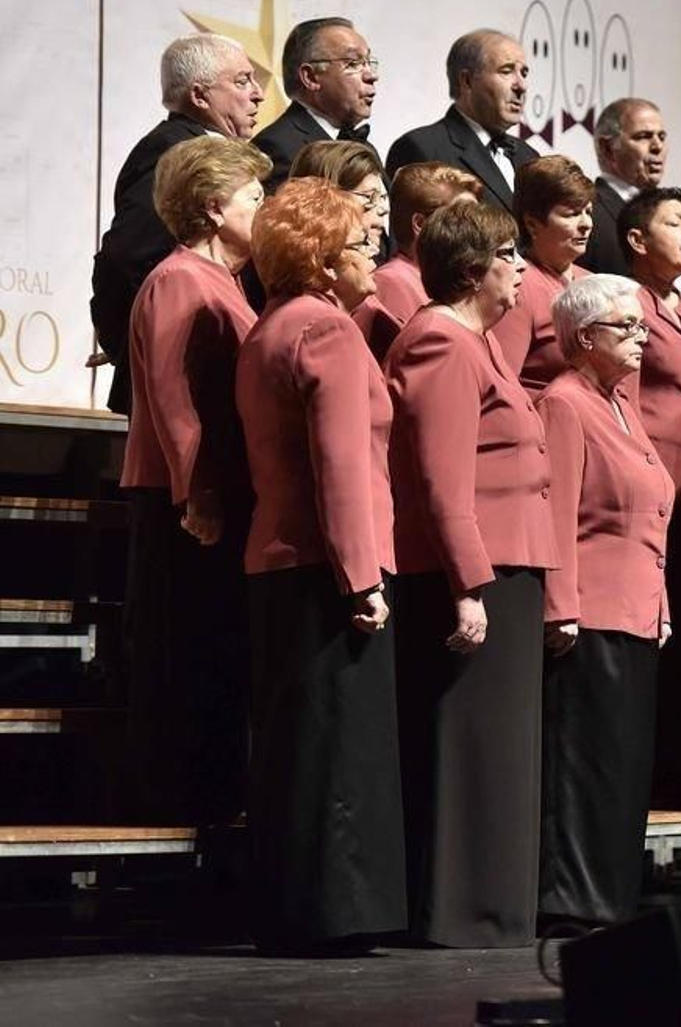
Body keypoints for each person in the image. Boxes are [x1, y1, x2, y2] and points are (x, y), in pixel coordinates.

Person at [235, 177, 406, 952]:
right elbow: (341, 465)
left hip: (281, 560)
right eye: (361, 243)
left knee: (297, 746)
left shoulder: (271, 325)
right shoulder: (327, 330)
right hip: (326, 565)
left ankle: (290, 907)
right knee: (337, 745)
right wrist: (361, 577)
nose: (374, 254)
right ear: (324, 260)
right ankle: (335, 912)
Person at [386, 200, 557, 948]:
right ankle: (462, 910)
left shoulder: (478, 342)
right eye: (509, 255)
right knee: (472, 746)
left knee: (501, 747)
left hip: (510, 566)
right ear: (471, 269)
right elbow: (441, 480)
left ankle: (495, 907)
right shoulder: (441, 342)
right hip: (474, 573)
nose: (521, 268)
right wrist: (467, 586)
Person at [117, 135, 270, 826]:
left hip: (212, 492)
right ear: (213, 208)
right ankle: (178, 814)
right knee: (185, 656)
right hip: (182, 500)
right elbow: (174, 396)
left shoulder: (225, 280)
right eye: (254, 198)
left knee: (215, 659)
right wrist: (197, 492)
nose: (265, 212)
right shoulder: (180, 279)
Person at [537, 275, 676, 926]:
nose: (642, 336)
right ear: (585, 336)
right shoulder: (565, 403)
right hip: (589, 612)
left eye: (643, 325)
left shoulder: (621, 402)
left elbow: (650, 513)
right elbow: (558, 514)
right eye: (627, 326)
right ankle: (575, 897)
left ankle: (612, 897)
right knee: (587, 764)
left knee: (623, 764)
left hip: (637, 612)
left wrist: (662, 604)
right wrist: (560, 606)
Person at [92, 33, 263, 414]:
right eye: (242, 81)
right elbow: (125, 256)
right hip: (179, 384)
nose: (259, 94)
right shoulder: (175, 152)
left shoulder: (205, 149)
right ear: (199, 96)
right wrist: (133, 343)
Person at [619, 186, 681, 809]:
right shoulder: (624, 302)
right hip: (647, 490)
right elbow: (623, 400)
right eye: (675, 223)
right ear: (637, 239)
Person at [386, 29, 537, 217]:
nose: (521, 86)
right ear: (467, 81)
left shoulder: (528, 156)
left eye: (524, 73)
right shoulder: (421, 148)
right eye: (506, 71)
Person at [352, 162, 483, 362]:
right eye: (463, 220)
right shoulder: (391, 283)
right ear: (420, 224)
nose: (479, 231)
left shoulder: (449, 281)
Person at [491, 156, 593, 390]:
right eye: (571, 213)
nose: (586, 223)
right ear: (532, 223)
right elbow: (504, 387)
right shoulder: (517, 285)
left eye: (588, 211)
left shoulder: (592, 281)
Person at [252, 17, 380, 192]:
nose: (372, 76)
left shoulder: (363, 146)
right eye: (353, 63)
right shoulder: (277, 147)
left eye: (369, 62)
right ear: (311, 77)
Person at [579, 98, 667, 275]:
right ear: (607, 148)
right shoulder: (587, 211)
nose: (658, 146)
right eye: (643, 136)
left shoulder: (675, 212)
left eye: (662, 137)